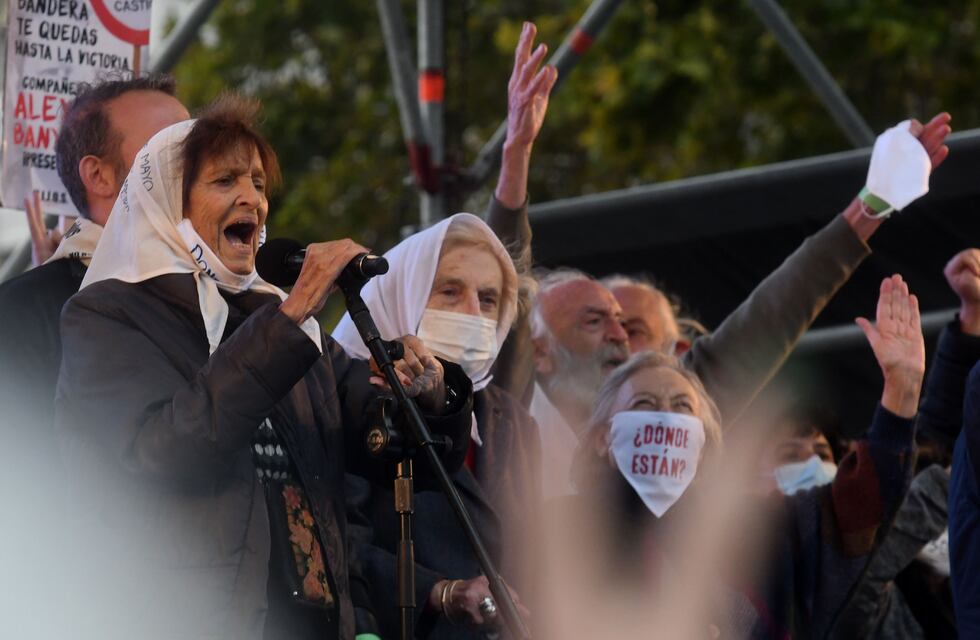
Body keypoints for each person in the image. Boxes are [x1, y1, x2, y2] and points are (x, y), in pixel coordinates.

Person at [55, 96, 473, 640]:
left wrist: (434, 397)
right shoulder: (108, 313)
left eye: (257, 181)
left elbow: (380, 448)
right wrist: (291, 316)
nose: (251, 197)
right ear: (168, 205)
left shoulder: (278, 318)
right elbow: (162, 452)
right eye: (225, 180)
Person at [491, 113, 951, 498]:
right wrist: (515, 164)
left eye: (624, 323)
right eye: (595, 321)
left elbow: (773, 314)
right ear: (540, 350)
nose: (619, 336)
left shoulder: (679, 405)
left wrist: (873, 203)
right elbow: (501, 291)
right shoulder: (503, 413)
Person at [540, 273, 922, 638]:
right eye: (644, 403)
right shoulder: (560, 533)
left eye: (682, 407)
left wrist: (901, 392)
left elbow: (857, 505)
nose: (666, 418)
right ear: (602, 439)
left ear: (704, 441)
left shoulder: (759, 531)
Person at [334, 24, 553, 638]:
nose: (471, 311)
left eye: (489, 299)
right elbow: (338, 547)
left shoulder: (510, 419)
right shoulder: (344, 394)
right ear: (404, 288)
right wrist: (442, 592)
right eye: (448, 289)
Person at [0, 75, 189, 434]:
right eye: (172, 146)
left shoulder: (233, 303)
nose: (202, 163)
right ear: (98, 176)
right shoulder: (23, 311)